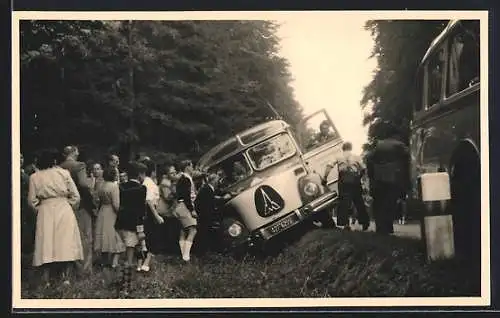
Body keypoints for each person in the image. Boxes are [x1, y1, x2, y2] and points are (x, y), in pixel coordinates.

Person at [28, 149, 83, 286]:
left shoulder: (35, 177)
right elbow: (75, 196)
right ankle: (66, 278)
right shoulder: (63, 173)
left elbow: (31, 201)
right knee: (66, 242)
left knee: (46, 243)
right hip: (63, 208)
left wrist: (40, 210)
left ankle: (46, 279)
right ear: (54, 161)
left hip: (45, 210)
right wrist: (67, 205)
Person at [366, 122, 411, 235]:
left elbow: (369, 159)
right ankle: (388, 228)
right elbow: (408, 162)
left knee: (379, 204)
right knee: (389, 203)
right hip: (393, 179)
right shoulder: (400, 145)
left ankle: (381, 228)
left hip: (378, 179)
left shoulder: (379, 145)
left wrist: (372, 175)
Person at [59, 145, 96, 274]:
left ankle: (69, 269)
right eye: (77, 151)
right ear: (74, 152)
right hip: (81, 205)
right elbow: (83, 184)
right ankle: (85, 269)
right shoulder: (79, 165)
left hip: (65, 205)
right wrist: (92, 182)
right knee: (85, 237)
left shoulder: (60, 166)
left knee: (68, 237)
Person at [115, 161, 148, 294]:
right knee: (129, 256)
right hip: (133, 226)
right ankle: (126, 286)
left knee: (122, 252)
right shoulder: (141, 189)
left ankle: (122, 281)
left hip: (120, 223)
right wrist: (140, 230)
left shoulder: (121, 187)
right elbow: (140, 211)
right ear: (140, 174)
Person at [323, 141, 370, 231]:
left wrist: (325, 178)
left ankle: (345, 224)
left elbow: (329, 166)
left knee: (344, 203)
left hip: (344, 180)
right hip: (355, 180)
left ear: (343, 148)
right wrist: (359, 177)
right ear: (351, 148)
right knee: (359, 201)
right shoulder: (356, 157)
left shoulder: (338, 156)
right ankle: (365, 222)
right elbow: (364, 169)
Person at [94, 167, 125, 268]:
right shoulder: (114, 186)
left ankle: (104, 261)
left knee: (104, 235)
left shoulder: (101, 185)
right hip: (111, 211)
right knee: (114, 235)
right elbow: (116, 204)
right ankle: (114, 262)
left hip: (102, 210)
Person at [194, 172, 231, 254]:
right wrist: (224, 199)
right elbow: (212, 201)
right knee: (205, 232)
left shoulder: (210, 188)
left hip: (206, 214)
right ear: (213, 181)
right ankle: (204, 251)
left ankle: (209, 250)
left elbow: (220, 192)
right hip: (204, 215)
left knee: (207, 232)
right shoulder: (206, 189)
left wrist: (231, 193)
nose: (218, 182)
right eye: (217, 180)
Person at [138, 158, 164, 272]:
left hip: (147, 210)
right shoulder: (149, 183)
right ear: (153, 171)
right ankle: (146, 262)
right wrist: (156, 215)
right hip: (150, 211)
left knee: (145, 237)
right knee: (151, 237)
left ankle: (142, 263)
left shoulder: (146, 182)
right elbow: (149, 201)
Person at [173, 160, 198, 262]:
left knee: (183, 231)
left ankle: (183, 254)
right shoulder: (186, 179)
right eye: (192, 166)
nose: (193, 168)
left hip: (179, 205)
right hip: (185, 206)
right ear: (187, 167)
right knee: (193, 230)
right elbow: (186, 196)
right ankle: (186, 255)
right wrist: (191, 209)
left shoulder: (181, 179)